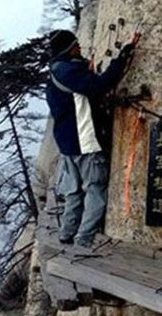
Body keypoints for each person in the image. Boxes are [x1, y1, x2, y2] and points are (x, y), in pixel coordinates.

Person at [46, 29, 136, 248]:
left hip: (67, 146)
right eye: (76, 44)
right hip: (84, 142)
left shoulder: (55, 73)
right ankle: (83, 241)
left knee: (74, 192)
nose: (80, 47)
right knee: (95, 189)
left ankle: (66, 234)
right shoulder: (70, 72)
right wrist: (122, 58)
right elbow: (99, 86)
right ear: (70, 49)